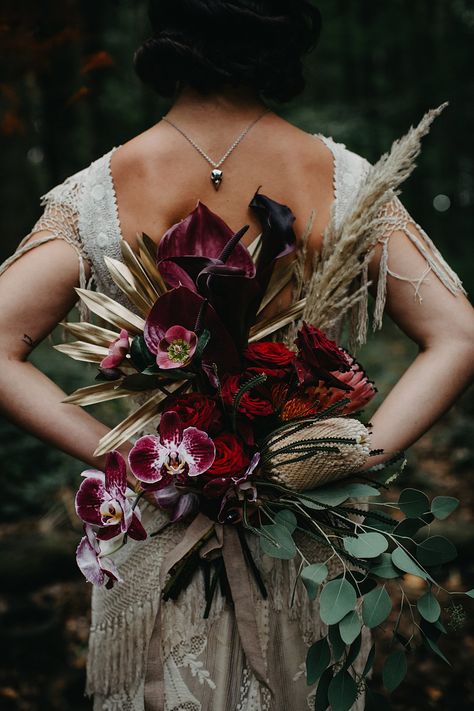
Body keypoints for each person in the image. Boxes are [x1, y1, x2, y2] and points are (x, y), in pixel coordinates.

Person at [0, 1, 473, 709]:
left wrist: (123, 453)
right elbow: (458, 334)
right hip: (302, 532)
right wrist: (356, 451)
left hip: (163, 523)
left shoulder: (104, 187)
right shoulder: (338, 176)